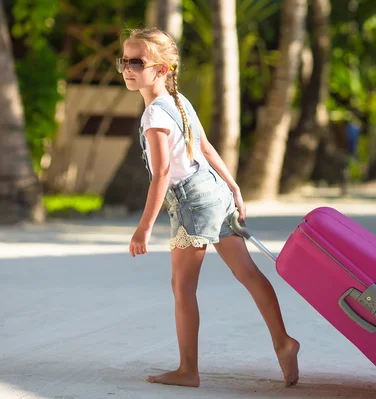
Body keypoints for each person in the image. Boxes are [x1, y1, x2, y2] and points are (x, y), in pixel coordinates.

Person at [117, 27, 300, 388]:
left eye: (137, 62)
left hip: (192, 203)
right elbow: (207, 148)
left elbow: (162, 175)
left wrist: (144, 227)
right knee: (247, 273)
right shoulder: (179, 101)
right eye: (123, 60)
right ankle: (284, 342)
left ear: (162, 69)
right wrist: (232, 187)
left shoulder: (154, 115)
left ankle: (188, 370)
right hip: (214, 194)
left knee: (182, 287)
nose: (127, 68)